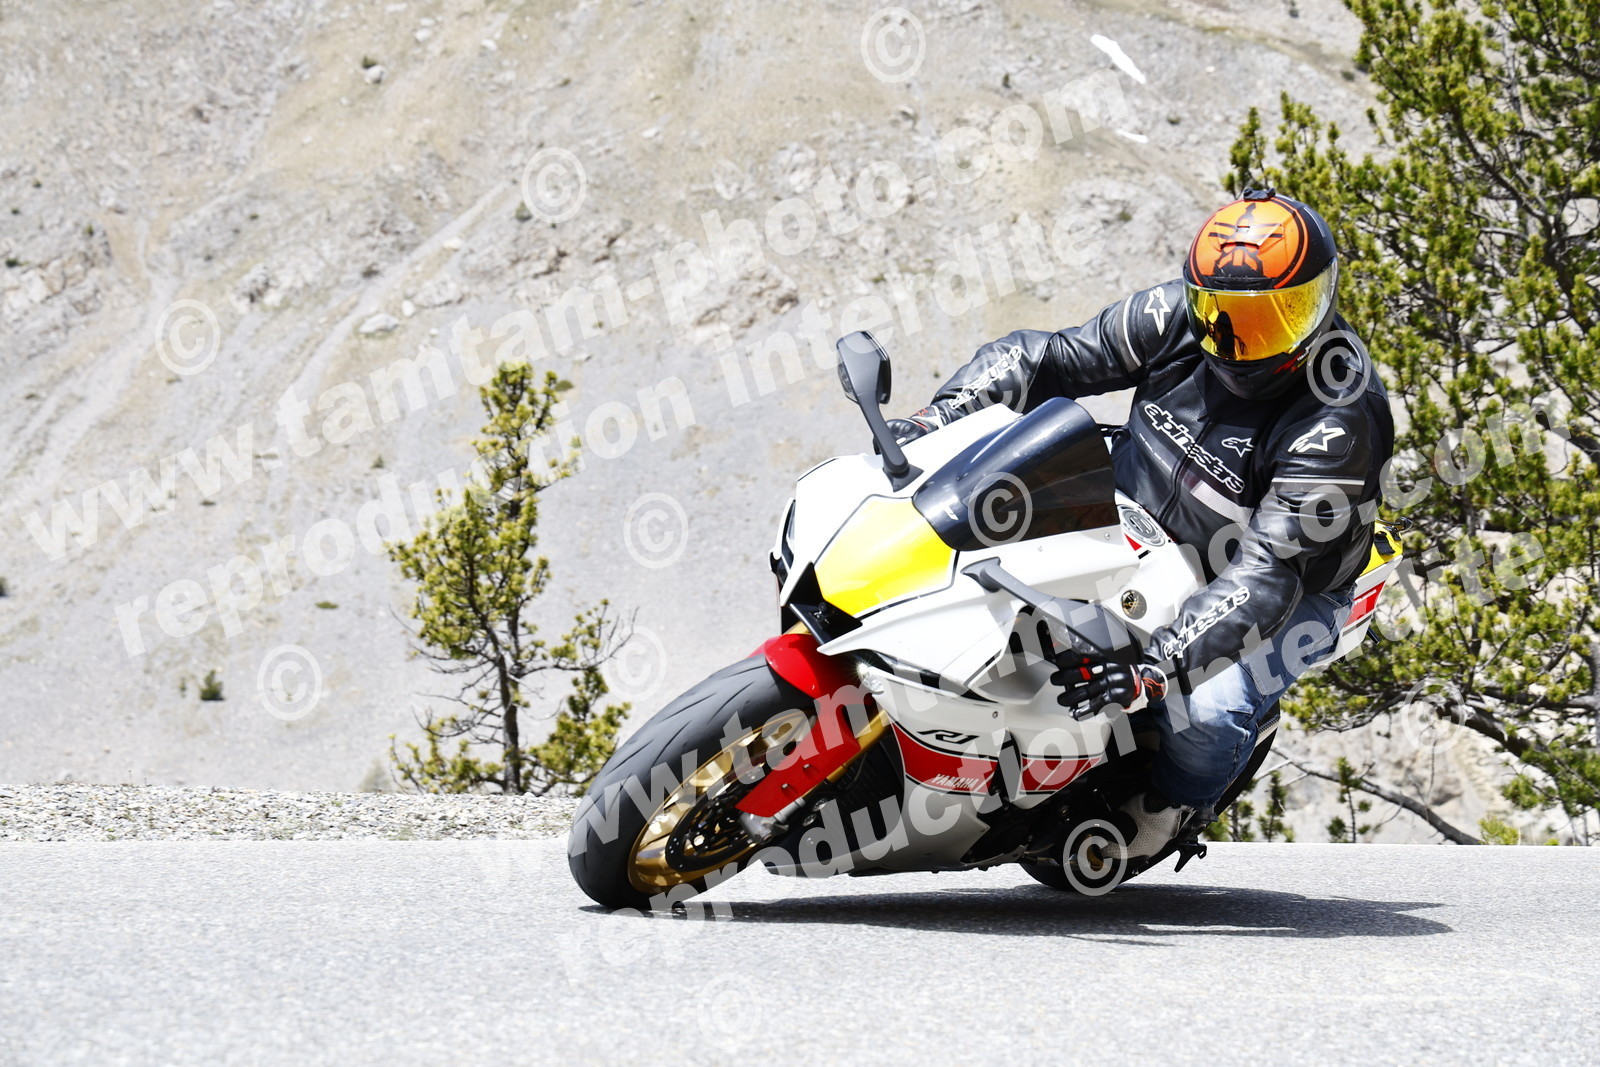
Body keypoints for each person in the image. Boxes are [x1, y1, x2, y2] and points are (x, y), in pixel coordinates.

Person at [887, 190, 1394, 857]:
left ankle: (1170, 806)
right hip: (1136, 509)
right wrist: (938, 417)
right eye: (1223, 314)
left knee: (1206, 707)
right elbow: (1049, 357)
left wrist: (1158, 667)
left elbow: (1266, 575)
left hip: (1281, 581)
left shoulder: (1338, 419)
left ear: (1321, 303)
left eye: (1276, 319)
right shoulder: (1175, 315)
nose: (1242, 341)